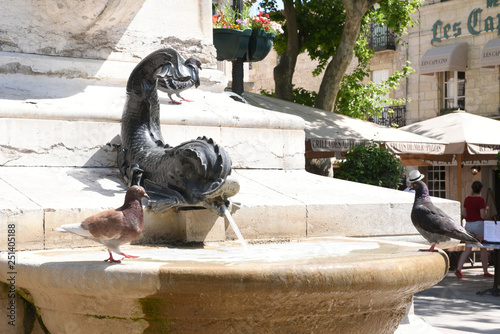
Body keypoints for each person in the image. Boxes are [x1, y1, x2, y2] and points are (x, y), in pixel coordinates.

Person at [455, 181, 493, 278]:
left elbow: (465, 214)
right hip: (479, 225)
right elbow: (482, 216)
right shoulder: (481, 200)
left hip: (469, 226)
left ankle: (459, 269)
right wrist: (487, 210)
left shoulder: (467, 199)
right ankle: (485, 271)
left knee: (467, 249)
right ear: (481, 189)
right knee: (483, 249)